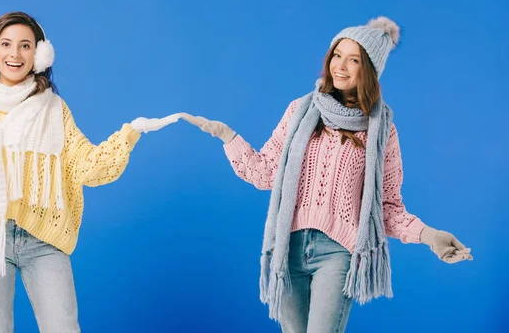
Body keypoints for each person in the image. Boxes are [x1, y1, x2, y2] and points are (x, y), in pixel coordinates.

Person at [181, 17, 472, 332]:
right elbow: (266, 173)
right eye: (337, 54)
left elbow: (386, 207)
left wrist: (430, 237)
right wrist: (227, 136)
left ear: (370, 69)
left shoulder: (381, 131)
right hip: (288, 248)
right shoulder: (300, 111)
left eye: (354, 59)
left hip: (337, 253)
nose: (341, 65)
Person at [0, 11, 179, 332]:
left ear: (39, 54)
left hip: (43, 236)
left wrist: (129, 133)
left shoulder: (54, 110)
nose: (15, 54)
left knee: (63, 327)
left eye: (25, 46)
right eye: (6, 44)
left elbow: (89, 167)